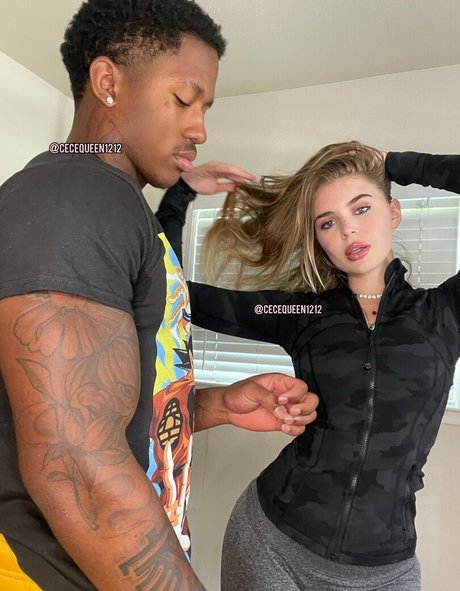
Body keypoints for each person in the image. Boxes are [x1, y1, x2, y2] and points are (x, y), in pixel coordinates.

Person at [0, 2, 319, 590]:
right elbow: (78, 466)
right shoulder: (72, 201)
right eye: (183, 99)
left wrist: (217, 405)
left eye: (205, 108)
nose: (200, 129)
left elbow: (116, 407)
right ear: (107, 82)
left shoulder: (116, 207)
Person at [158, 142, 460, 590]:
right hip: (270, 548)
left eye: (362, 208)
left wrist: (398, 164)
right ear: (319, 239)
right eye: (328, 222)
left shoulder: (443, 315)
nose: (348, 230)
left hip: (385, 572)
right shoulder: (302, 313)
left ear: (394, 212)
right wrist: (180, 192)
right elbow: (172, 290)